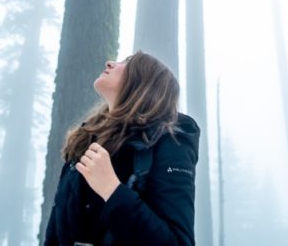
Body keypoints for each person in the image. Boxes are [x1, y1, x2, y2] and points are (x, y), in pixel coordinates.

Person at [44, 51, 199, 246]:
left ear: (145, 83)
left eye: (128, 63)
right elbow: (56, 233)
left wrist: (111, 189)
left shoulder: (171, 141)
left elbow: (177, 242)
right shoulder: (84, 141)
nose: (110, 63)